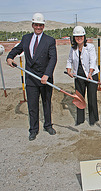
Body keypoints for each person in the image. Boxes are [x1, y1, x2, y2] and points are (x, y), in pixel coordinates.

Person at [7, 13, 57, 141]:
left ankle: (48, 125)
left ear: (43, 26)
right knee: (32, 106)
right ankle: (33, 130)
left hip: (45, 79)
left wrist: (47, 74)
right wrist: (10, 57)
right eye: (36, 24)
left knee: (46, 104)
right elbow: (17, 49)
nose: (38, 27)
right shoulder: (26, 38)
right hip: (31, 79)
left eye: (41, 25)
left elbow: (53, 59)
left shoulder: (49, 40)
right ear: (32, 25)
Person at [66, 26, 99, 126]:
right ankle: (80, 120)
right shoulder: (73, 49)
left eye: (81, 36)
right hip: (79, 77)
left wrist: (90, 72)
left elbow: (93, 60)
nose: (79, 38)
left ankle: (93, 119)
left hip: (91, 75)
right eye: (76, 36)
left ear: (84, 37)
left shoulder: (90, 47)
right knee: (79, 98)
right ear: (74, 38)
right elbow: (69, 60)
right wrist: (68, 70)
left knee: (92, 98)